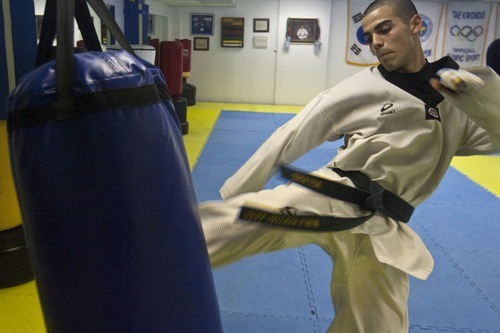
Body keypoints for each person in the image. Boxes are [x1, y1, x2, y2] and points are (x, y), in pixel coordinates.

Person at [199, 0, 500, 332]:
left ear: (415, 24)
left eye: (385, 29)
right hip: (332, 196)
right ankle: (154, 248)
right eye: (369, 35)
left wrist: (478, 96)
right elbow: (293, 132)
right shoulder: (363, 87)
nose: (376, 43)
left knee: (377, 324)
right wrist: (237, 189)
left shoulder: (456, 103)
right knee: (240, 221)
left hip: (385, 228)